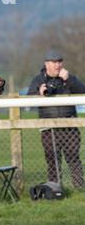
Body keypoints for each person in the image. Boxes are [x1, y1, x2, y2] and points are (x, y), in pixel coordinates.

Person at [27, 49, 85, 188]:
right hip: (48, 127)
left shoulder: (69, 78)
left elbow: (83, 91)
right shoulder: (38, 80)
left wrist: (69, 79)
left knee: (73, 159)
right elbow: (27, 100)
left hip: (69, 125)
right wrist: (38, 93)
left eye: (59, 62)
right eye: (53, 62)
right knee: (52, 160)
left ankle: (80, 189)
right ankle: (54, 189)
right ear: (46, 64)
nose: (57, 65)